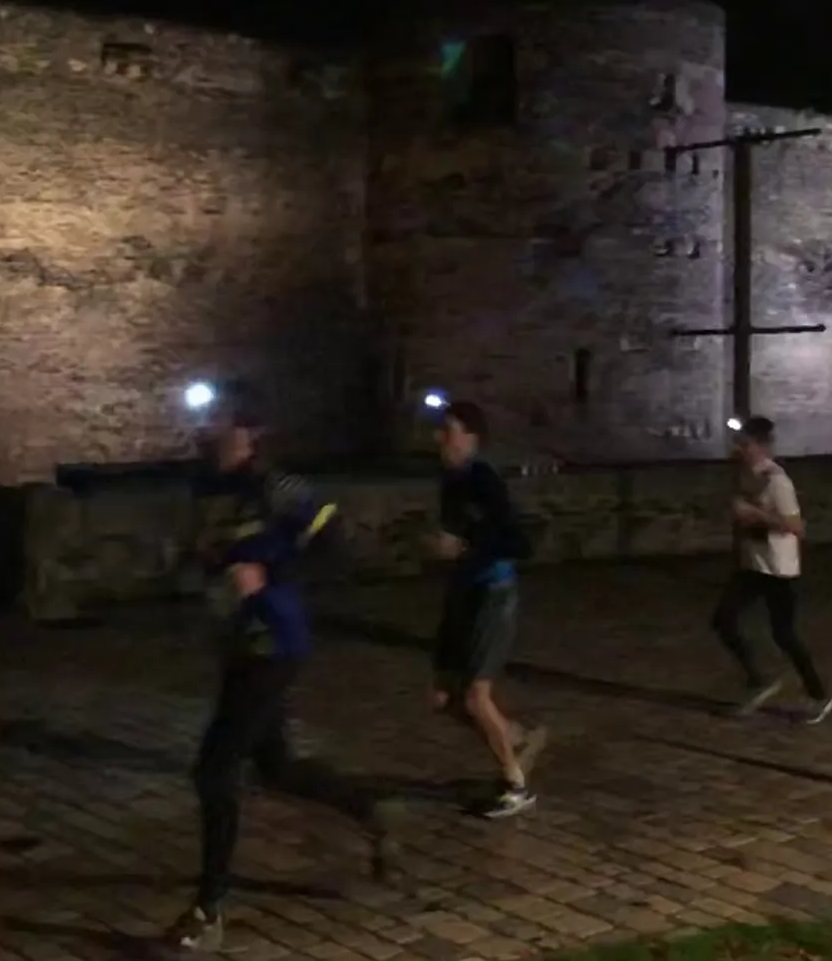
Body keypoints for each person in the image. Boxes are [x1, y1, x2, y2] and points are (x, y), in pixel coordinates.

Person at [166, 411, 402, 954]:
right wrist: (206, 562)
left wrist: (270, 572)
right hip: (238, 643)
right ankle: (368, 808)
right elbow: (216, 553)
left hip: (274, 643)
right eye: (211, 428)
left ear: (254, 436)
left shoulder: (280, 487)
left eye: (228, 429)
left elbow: (334, 547)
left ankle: (209, 909)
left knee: (214, 769)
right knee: (274, 766)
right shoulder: (209, 488)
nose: (215, 438)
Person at [429, 400, 548, 818]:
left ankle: (515, 785)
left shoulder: (484, 480)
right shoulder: (450, 480)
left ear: (471, 438)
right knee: (445, 697)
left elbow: (518, 542)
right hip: (462, 591)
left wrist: (466, 545)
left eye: (449, 430)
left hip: (492, 592)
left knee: (478, 697)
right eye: (439, 430)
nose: (440, 438)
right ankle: (514, 735)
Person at [714, 415, 832, 724]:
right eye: (739, 444)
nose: (740, 449)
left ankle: (819, 694)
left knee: (785, 635)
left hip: (780, 571)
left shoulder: (777, 481)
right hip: (752, 566)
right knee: (723, 620)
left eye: (746, 444)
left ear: (762, 446)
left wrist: (755, 514)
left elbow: (797, 527)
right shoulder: (745, 475)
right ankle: (760, 680)